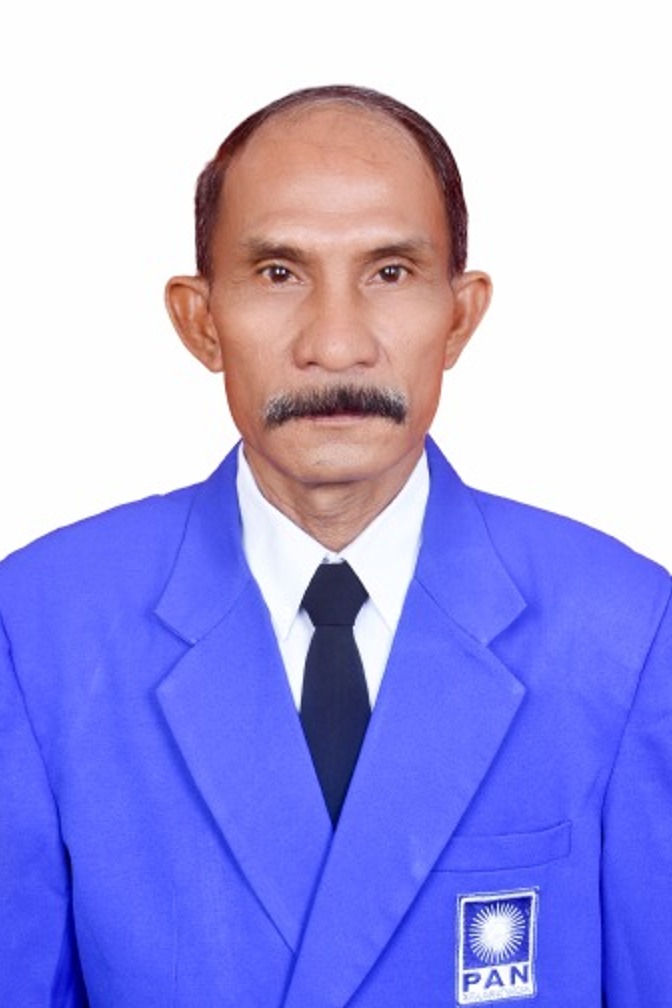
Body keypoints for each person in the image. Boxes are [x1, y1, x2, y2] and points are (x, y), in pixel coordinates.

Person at [0, 85, 670, 1008]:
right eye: (279, 273)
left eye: (390, 272)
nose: (337, 344)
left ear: (460, 317)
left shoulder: (625, 630)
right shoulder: (39, 627)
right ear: (200, 321)